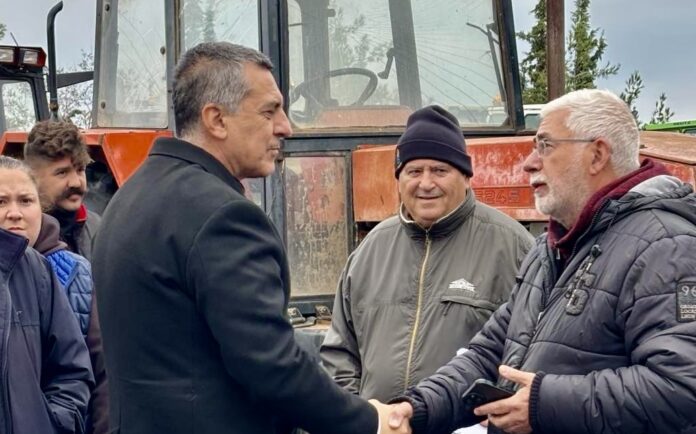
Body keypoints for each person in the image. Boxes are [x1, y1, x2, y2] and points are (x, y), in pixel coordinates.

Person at [92, 41, 408, 434]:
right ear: (216, 120)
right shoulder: (223, 216)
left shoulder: (129, 199)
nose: (285, 127)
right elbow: (272, 365)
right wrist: (369, 421)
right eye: (269, 111)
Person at [384, 89, 696, 434]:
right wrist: (415, 408)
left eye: (545, 146)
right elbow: (489, 354)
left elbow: (681, 388)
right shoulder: (550, 249)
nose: (529, 162)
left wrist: (542, 405)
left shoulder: (667, 246)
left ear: (597, 155)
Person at [320, 105, 534, 402]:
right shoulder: (371, 249)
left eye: (439, 170)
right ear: (399, 179)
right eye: (414, 171)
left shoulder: (514, 248)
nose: (426, 183)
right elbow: (340, 352)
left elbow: (532, 351)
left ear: (466, 176)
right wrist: (357, 413)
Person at [0, 155, 94, 434]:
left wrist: (53, 423)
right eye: (0, 202)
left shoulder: (38, 271)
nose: (14, 213)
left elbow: (74, 369)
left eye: (26, 200)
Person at [24, 120, 101, 260]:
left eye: (80, 169)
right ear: (33, 178)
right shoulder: (22, 239)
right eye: (62, 173)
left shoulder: (98, 227)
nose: (76, 182)